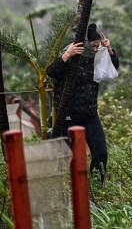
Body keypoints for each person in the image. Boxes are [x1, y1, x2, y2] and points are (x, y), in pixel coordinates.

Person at [47, 23, 119, 183]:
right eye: (93, 46)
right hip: (67, 116)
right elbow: (51, 72)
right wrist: (66, 56)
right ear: (84, 44)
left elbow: (112, 69)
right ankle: (71, 190)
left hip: (90, 115)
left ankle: (96, 188)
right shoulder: (69, 54)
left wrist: (109, 50)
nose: (95, 50)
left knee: (101, 152)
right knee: (71, 157)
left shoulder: (96, 60)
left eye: (97, 47)